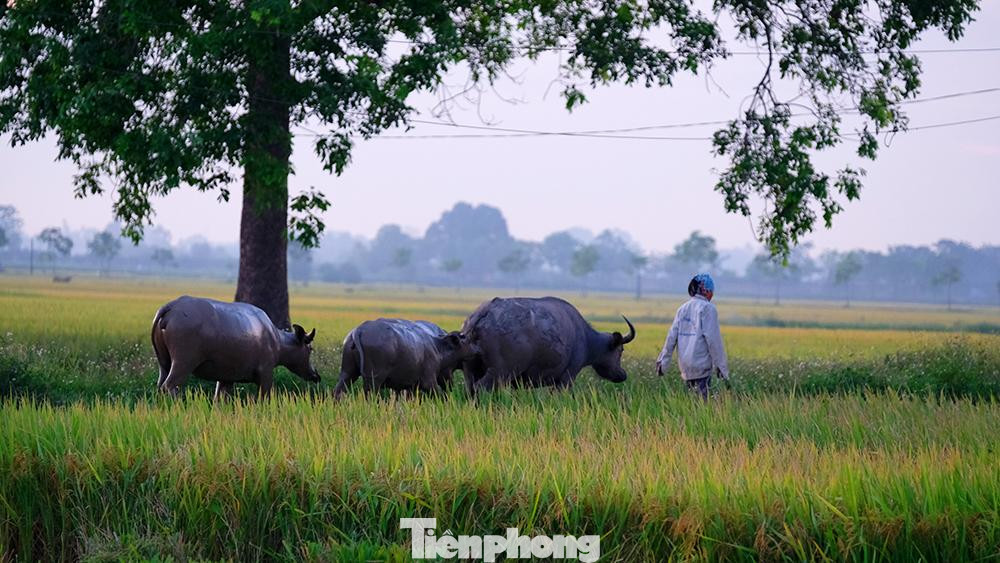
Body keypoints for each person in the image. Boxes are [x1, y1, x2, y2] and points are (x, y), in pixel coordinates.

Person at [656, 273, 730, 400]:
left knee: (691, 400)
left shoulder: (682, 309)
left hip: (685, 365)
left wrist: (663, 362)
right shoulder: (708, 308)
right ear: (707, 291)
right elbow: (713, 341)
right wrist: (722, 368)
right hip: (701, 364)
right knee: (702, 403)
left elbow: (671, 337)